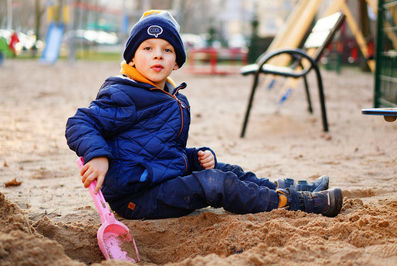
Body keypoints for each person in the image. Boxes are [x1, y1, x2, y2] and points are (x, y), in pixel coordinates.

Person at [65, 10, 343, 220]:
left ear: (176, 63)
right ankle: (292, 204)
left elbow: (161, 150)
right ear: (132, 59)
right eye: (147, 49)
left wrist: (196, 155)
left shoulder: (173, 98)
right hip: (135, 197)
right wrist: (97, 155)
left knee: (223, 169)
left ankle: (284, 188)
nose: (157, 56)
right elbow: (80, 122)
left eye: (167, 50)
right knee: (214, 183)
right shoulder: (124, 93)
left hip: (159, 178)